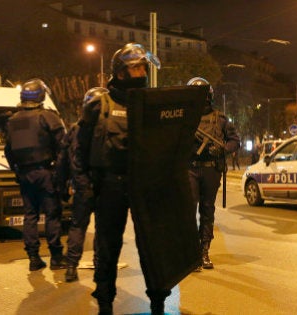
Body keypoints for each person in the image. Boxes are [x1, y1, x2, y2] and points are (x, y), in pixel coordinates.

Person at [76, 42, 169, 315]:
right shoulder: (99, 105)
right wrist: (83, 187)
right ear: (120, 73)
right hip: (110, 185)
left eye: (143, 67)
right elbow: (80, 150)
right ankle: (105, 301)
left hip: (144, 185)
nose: (141, 72)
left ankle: (158, 302)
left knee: (152, 247)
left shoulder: (153, 105)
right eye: (135, 68)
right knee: (107, 247)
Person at [4, 78, 68, 272]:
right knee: (52, 215)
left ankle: (33, 257)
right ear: (41, 96)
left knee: (30, 215)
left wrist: (16, 169)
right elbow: (63, 147)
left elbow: (8, 150)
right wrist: (62, 172)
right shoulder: (48, 117)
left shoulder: (12, 120)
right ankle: (56, 257)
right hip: (45, 172)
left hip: (24, 174)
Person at [187, 77, 240, 271]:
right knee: (189, 210)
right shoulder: (184, 118)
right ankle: (191, 253)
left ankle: (204, 251)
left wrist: (224, 149)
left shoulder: (220, 119)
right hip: (190, 168)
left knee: (207, 211)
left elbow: (235, 140)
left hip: (211, 169)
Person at [62, 87, 107, 282]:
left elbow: (66, 158)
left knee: (78, 226)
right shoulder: (109, 128)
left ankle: (71, 266)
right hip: (105, 184)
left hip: (82, 185)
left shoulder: (76, 129)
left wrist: (63, 184)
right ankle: (99, 265)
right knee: (102, 228)